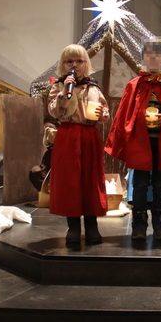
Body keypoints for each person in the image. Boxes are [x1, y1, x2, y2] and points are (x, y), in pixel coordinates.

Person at [105, 37, 161, 242]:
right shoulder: (134, 85)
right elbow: (123, 115)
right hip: (141, 144)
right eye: (149, 53)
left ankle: (160, 224)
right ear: (143, 57)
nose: (154, 57)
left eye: (158, 53)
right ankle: (139, 225)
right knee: (139, 184)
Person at [47, 44, 110, 246]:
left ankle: (92, 225)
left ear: (86, 64)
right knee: (70, 181)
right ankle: (73, 227)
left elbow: (105, 112)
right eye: (69, 61)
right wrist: (64, 93)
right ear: (63, 65)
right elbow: (53, 111)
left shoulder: (94, 87)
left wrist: (104, 114)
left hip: (89, 136)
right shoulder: (58, 86)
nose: (74, 65)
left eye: (79, 61)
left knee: (90, 180)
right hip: (67, 136)